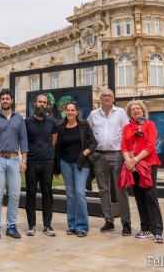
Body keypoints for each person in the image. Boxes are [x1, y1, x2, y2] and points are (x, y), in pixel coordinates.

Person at [0, 88, 28, 240]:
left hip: (15, 159)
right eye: (2, 98)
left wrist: (24, 160)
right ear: (0, 100)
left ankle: (11, 226)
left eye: (7, 98)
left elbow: (23, 140)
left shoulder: (19, 119)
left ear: (12, 100)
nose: (5, 101)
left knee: (15, 194)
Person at [86, 88, 132, 235]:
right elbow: (88, 133)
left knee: (121, 190)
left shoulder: (121, 113)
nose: (106, 97)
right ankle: (109, 221)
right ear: (100, 98)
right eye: (104, 95)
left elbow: (127, 133)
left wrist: (128, 155)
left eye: (109, 95)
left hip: (117, 155)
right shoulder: (93, 114)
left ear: (113, 98)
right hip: (99, 156)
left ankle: (126, 223)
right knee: (103, 190)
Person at [122, 100, 164, 243]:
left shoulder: (149, 125)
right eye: (132, 109)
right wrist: (128, 161)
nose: (135, 110)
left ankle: (157, 230)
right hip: (133, 166)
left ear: (143, 110)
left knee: (151, 195)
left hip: (147, 164)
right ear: (129, 113)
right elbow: (124, 146)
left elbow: (150, 145)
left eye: (138, 108)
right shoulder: (127, 127)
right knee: (139, 196)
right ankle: (145, 227)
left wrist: (135, 160)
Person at [55, 102, 97, 237]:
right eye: (68, 110)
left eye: (73, 110)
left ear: (77, 112)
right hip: (65, 163)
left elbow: (93, 143)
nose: (70, 112)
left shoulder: (84, 126)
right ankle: (72, 226)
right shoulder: (61, 127)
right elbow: (58, 149)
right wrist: (57, 168)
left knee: (79, 193)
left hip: (81, 163)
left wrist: (85, 153)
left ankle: (82, 227)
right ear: (65, 112)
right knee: (70, 194)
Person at [24, 93, 58, 237]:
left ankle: (47, 225)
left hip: (47, 163)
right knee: (31, 194)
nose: (42, 104)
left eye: (45, 102)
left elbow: (54, 141)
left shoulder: (52, 122)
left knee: (47, 194)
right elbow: (23, 142)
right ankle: (31, 225)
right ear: (35, 104)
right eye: (40, 102)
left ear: (47, 105)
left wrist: (46, 151)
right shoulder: (26, 122)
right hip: (31, 162)